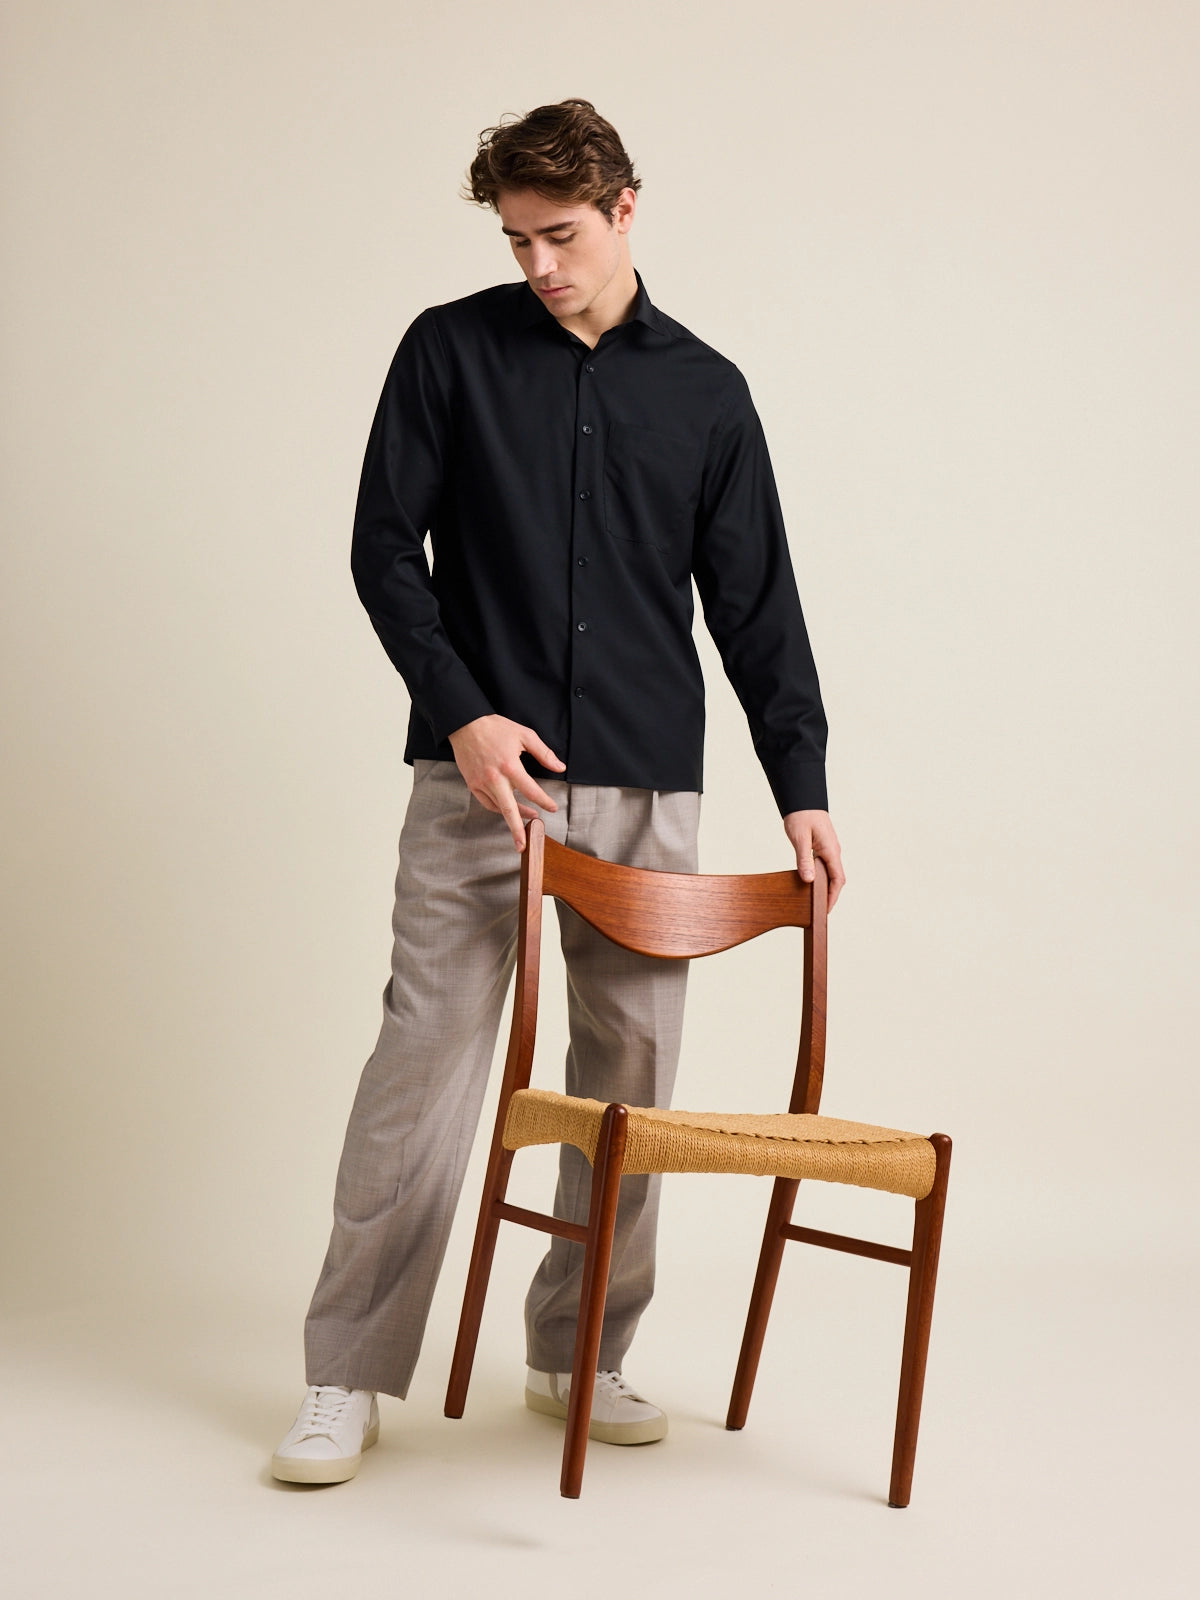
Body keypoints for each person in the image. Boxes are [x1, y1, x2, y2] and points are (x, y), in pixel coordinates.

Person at [271, 98, 845, 1485]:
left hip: (649, 781)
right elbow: (381, 552)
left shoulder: (707, 392)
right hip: (481, 782)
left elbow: (755, 606)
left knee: (629, 1081)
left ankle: (580, 1349)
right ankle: (347, 1372)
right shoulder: (449, 352)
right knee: (421, 1066)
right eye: (518, 238)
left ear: (626, 208)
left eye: (563, 235)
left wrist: (803, 785)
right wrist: (461, 713)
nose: (539, 263)